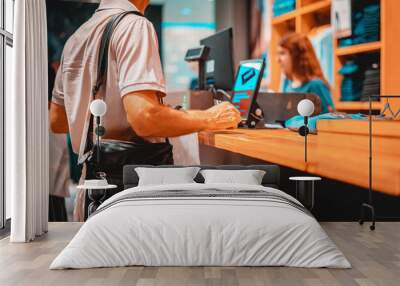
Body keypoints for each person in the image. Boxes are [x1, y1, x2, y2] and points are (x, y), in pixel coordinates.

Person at [49, 0, 240, 219]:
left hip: (93, 188)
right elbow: (145, 118)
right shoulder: (133, 26)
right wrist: (210, 117)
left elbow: (58, 120)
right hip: (132, 188)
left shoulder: (77, 37)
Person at [277, 32, 335, 113]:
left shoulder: (316, 85)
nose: (278, 60)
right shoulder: (287, 83)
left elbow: (330, 120)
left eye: (282, 53)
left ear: (296, 55)